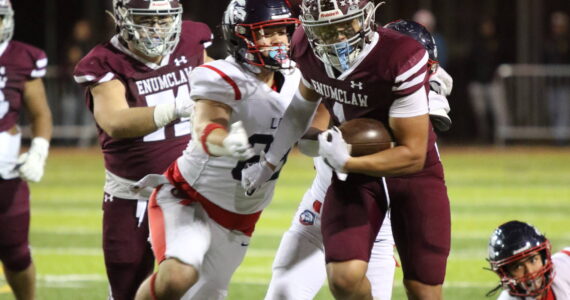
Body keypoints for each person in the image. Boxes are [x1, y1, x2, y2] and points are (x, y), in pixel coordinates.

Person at [242, 1, 451, 299]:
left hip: (401, 185)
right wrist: (270, 161)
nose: (336, 38)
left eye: (343, 27)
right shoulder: (307, 48)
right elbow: (302, 111)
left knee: (423, 291)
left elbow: (414, 154)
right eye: (325, 30)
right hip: (343, 185)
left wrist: (346, 159)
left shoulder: (401, 62)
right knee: (325, 283)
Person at [132, 0, 301, 299]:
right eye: (266, 32)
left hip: (242, 217)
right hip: (190, 198)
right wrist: (227, 142)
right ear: (240, 36)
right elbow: (207, 125)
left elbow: (318, 127)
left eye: (283, 31)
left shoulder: (299, 80)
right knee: (176, 278)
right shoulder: (220, 75)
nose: (278, 40)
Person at [72, 0, 212, 299]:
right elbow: (116, 121)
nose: (157, 28)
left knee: (191, 284)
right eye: (147, 20)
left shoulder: (192, 39)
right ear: (123, 17)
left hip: (189, 188)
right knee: (127, 285)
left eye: (164, 19)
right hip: (131, 193)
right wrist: (175, 108)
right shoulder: (104, 60)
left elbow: (216, 83)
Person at [0, 1, 52, 299]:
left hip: (5, 170)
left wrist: (39, 151)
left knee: (16, 252)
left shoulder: (22, 57)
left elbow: (40, 113)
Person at [487, 220, 570, 299]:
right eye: (518, 266)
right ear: (507, 273)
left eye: (533, 260)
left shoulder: (565, 265)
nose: (530, 272)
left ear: (543, 257)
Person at [467, 17, 508, 143]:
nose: (487, 29)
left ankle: (501, 139)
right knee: (480, 112)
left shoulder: (497, 42)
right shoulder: (476, 43)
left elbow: (503, 60)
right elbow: (470, 63)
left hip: (493, 82)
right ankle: (483, 136)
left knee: (499, 111)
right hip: (478, 82)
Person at [543, 11, 570, 145]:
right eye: (556, 26)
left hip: (565, 82)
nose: (558, 28)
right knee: (552, 110)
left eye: (560, 26)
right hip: (552, 82)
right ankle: (556, 137)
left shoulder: (567, 42)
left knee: (564, 111)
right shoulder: (548, 42)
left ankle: (561, 139)